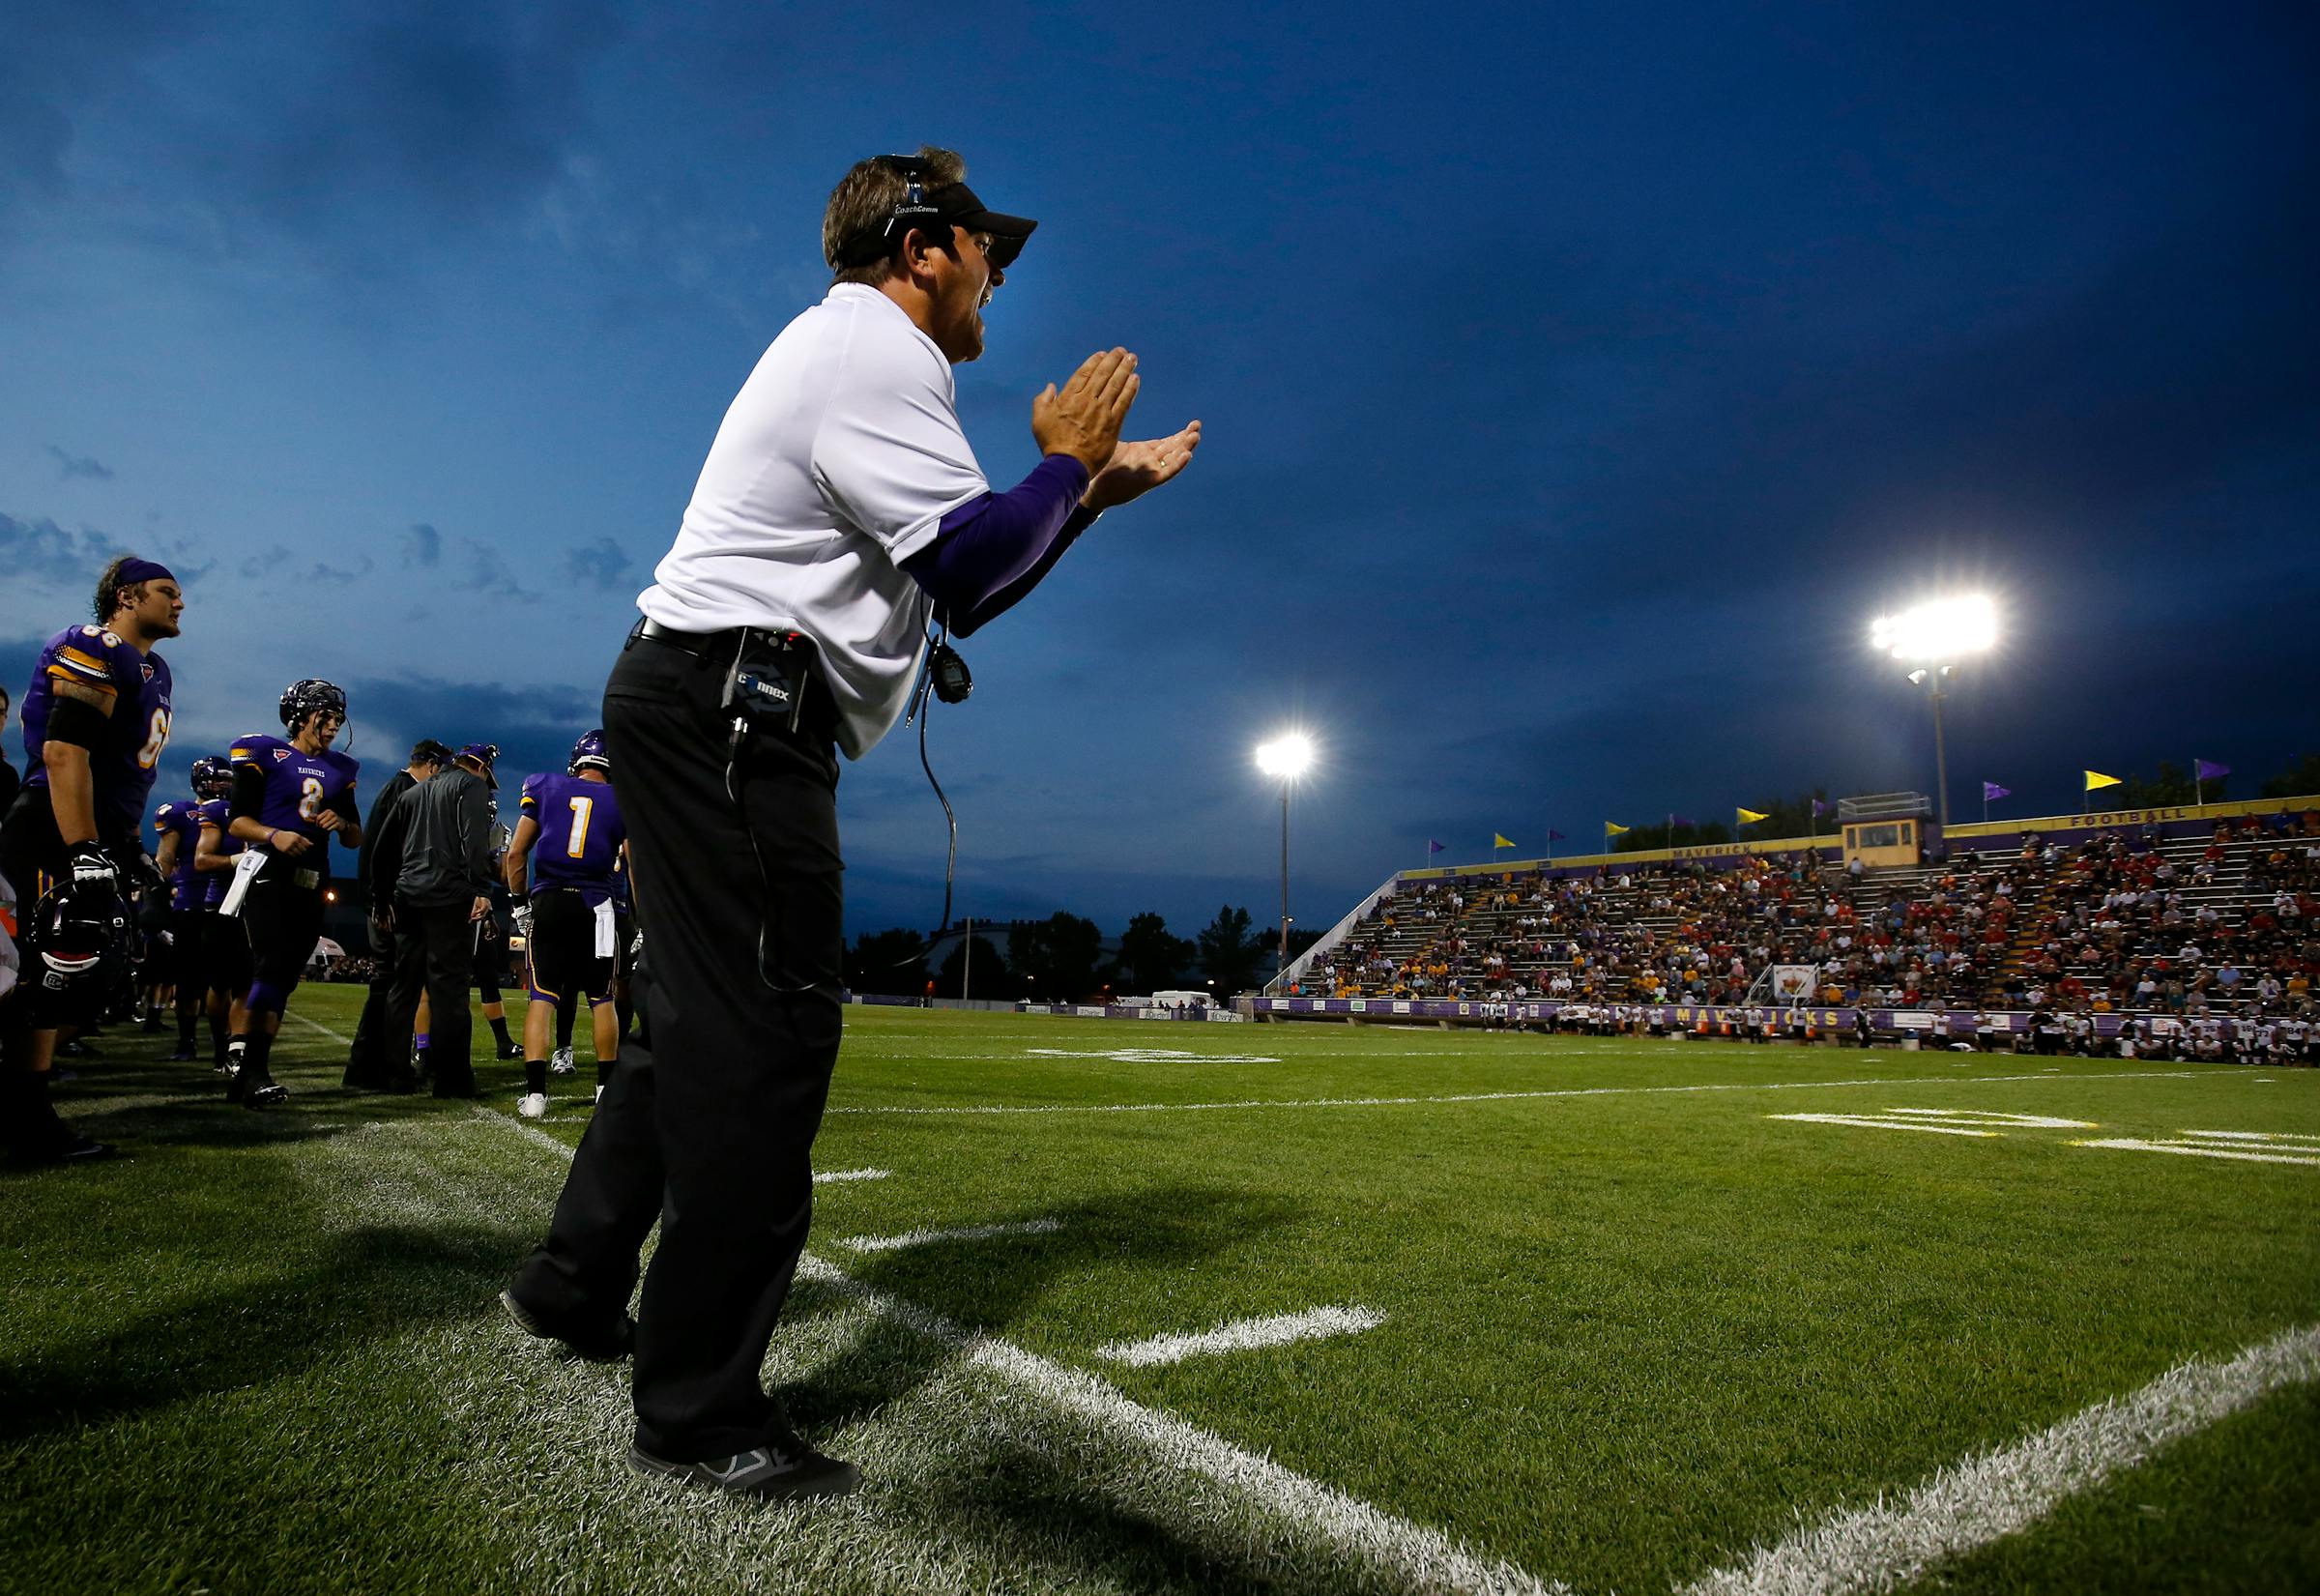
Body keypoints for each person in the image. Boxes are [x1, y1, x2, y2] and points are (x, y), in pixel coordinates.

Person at [503, 145, 1199, 1500]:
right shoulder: (882, 351)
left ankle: (573, 1281)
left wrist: (1083, 487)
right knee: (765, 1039)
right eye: (991, 245)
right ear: (926, 245)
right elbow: (975, 559)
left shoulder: (855, 350)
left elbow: (973, 570)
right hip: (735, 704)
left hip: (701, 691)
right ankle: (699, 1408)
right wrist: (1065, 467)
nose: (1001, 271)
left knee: (688, 1026)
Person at [0, 556, 183, 1163]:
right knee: (43, 971)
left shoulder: (156, 670)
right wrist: (81, 846)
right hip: (54, 827)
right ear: (127, 596)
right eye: (166, 592)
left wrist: (124, 844)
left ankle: (25, 1111)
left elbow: (122, 773)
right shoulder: (94, 643)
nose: (179, 604)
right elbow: (62, 751)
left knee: (81, 982)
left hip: (94, 832)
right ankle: (26, 1117)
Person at [221, 681, 362, 1107]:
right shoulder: (265, 753)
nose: (334, 724)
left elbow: (355, 838)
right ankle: (251, 1071)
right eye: (326, 715)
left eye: (338, 717)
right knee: (271, 966)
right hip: (271, 872)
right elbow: (237, 822)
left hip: (313, 878)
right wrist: (274, 835)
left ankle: (250, 1073)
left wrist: (342, 823)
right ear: (300, 716)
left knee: (283, 978)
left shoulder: (342, 769)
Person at [505, 730, 627, 1117]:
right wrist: (639, 916)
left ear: (578, 762)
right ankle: (605, 1089)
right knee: (602, 998)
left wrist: (519, 904)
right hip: (601, 907)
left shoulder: (545, 786)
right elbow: (635, 863)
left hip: (552, 901)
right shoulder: (624, 800)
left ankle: (537, 1096)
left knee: (542, 998)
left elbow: (515, 854)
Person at [377, 742, 497, 1098]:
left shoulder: (415, 792)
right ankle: (452, 1079)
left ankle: (395, 1074)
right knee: (449, 991)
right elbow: (474, 839)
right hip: (447, 895)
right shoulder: (469, 785)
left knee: (404, 987)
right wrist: (482, 887)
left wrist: (380, 897)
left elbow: (384, 845)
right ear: (478, 766)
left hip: (408, 897)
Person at [346, 739, 452, 1090]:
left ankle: (365, 1068)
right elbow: (383, 849)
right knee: (394, 986)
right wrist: (381, 899)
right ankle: (388, 1069)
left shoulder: (398, 788)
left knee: (387, 986)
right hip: (390, 903)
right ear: (433, 766)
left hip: (385, 899)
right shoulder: (405, 790)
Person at [151, 756, 228, 1061]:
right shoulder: (182, 814)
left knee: (222, 979)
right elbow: (165, 861)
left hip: (225, 903)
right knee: (188, 981)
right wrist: (155, 889)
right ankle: (187, 1041)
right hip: (190, 905)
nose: (224, 786)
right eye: (219, 779)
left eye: (227, 780)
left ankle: (223, 1043)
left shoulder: (233, 813)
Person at [191, 768, 253, 1073]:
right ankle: (220, 1045)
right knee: (220, 983)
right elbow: (201, 860)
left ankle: (236, 1050)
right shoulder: (217, 811)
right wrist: (235, 861)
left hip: (256, 909)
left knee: (247, 984)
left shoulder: (272, 809)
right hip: (222, 907)